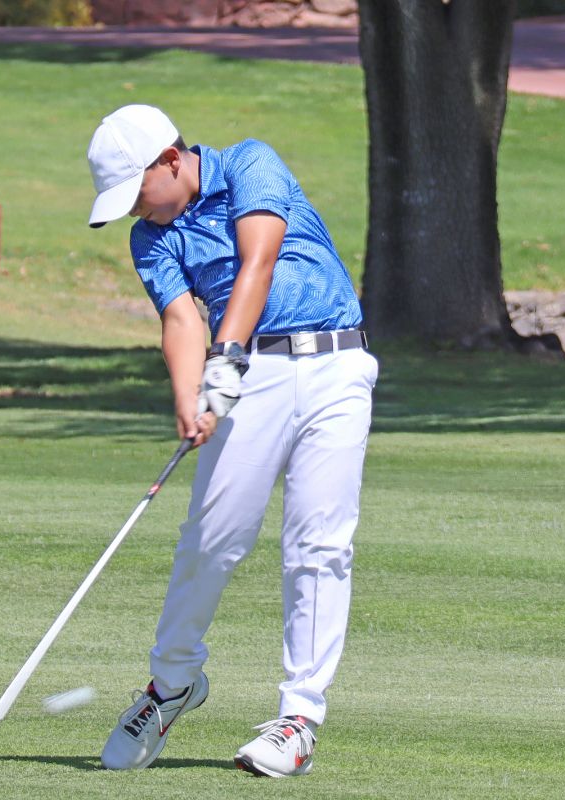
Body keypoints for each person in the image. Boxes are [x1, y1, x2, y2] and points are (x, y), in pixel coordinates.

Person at [85, 104, 377, 777]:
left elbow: (259, 263)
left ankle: (298, 718)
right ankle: (172, 685)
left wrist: (227, 359)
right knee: (212, 539)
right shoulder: (150, 237)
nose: (136, 210)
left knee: (320, 543)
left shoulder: (251, 163)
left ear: (169, 160)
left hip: (335, 363)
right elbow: (181, 318)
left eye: (137, 192)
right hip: (248, 374)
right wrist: (192, 397)